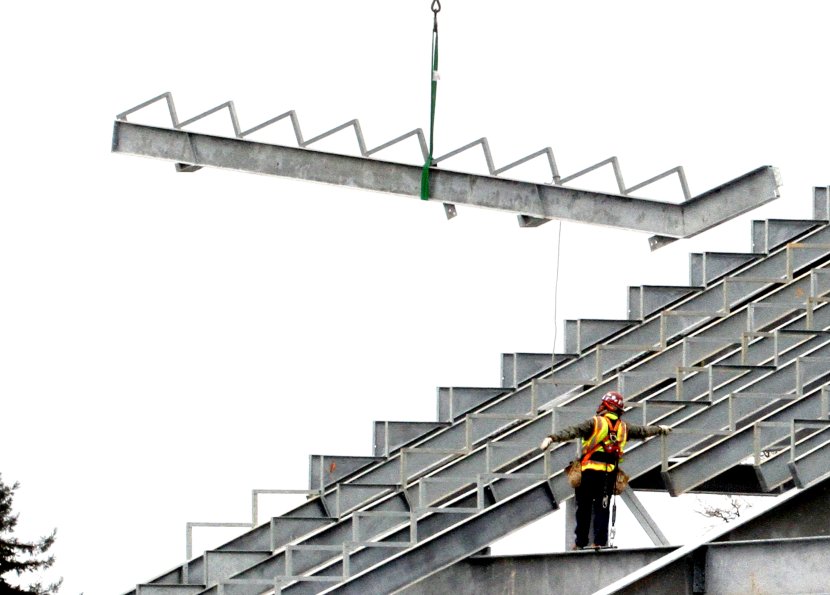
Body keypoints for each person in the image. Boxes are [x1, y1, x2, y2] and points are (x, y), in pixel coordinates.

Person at [539, 390, 671, 550]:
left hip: (589, 472)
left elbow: (573, 431)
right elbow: (643, 431)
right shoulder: (623, 428)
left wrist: (552, 438)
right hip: (608, 475)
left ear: (607, 406)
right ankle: (599, 542)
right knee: (603, 508)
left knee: (584, 508)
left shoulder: (595, 423)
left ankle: (580, 542)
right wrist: (660, 429)